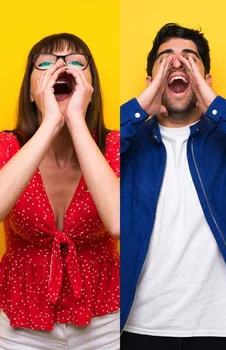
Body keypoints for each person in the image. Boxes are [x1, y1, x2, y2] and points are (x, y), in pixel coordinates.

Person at [119, 23, 226, 350]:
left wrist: (212, 103)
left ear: (206, 80)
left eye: (190, 59)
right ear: (150, 82)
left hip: (221, 326)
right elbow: (96, 152)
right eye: (165, 60)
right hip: (141, 326)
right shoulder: (131, 141)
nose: (178, 64)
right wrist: (139, 108)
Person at [0, 33, 120, 349]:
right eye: (46, 63)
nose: (62, 67)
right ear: (30, 90)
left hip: (104, 321)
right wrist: (51, 121)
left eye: (76, 61)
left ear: (90, 89)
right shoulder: (5, 147)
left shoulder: (117, 147)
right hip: (19, 322)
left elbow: (120, 223)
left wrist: (76, 121)